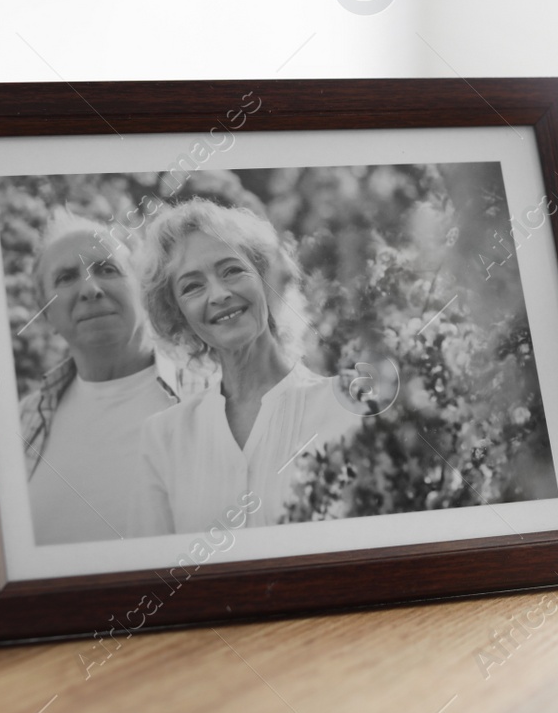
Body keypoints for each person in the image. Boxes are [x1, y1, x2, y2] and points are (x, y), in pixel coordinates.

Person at [129, 199, 357, 537]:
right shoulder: (163, 438)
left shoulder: (346, 407)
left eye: (232, 270)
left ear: (265, 278)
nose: (219, 294)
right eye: (192, 286)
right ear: (178, 314)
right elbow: (151, 573)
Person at [20, 212, 177, 545]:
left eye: (107, 269)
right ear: (45, 312)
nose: (90, 289)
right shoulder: (20, 426)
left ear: (144, 288)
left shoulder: (212, 395)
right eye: (65, 277)